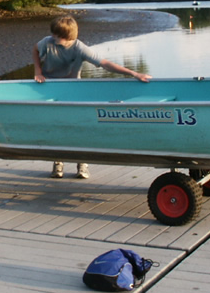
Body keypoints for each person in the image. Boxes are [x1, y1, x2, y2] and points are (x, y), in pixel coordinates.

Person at [33, 14, 152, 179]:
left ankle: (82, 164)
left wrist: (133, 73)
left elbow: (104, 63)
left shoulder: (79, 48)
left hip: (73, 88)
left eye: (57, 35)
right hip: (51, 88)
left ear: (68, 37)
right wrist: (38, 71)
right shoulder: (48, 42)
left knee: (77, 126)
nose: (53, 37)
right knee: (57, 125)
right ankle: (58, 161)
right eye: (53, 34)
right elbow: (35, 49)